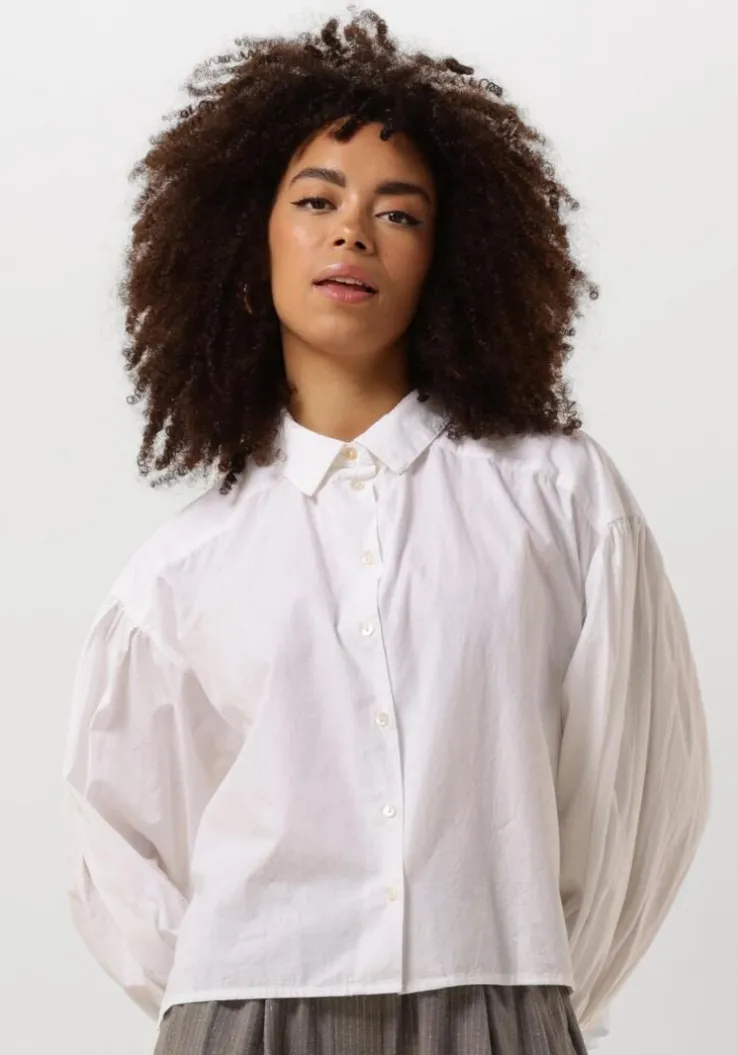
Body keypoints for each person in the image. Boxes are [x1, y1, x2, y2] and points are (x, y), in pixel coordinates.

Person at [61, 9, 711, 1054]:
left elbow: (637, 795)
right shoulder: (178, 574)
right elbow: (122, 846)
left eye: (398, 213)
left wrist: (527, 992)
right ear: (249, 238)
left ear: (449, 257)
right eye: (316, 200)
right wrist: (240, 990)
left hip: (503, 1000)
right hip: (248, 1015)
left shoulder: (561, 499)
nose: (352, 233)